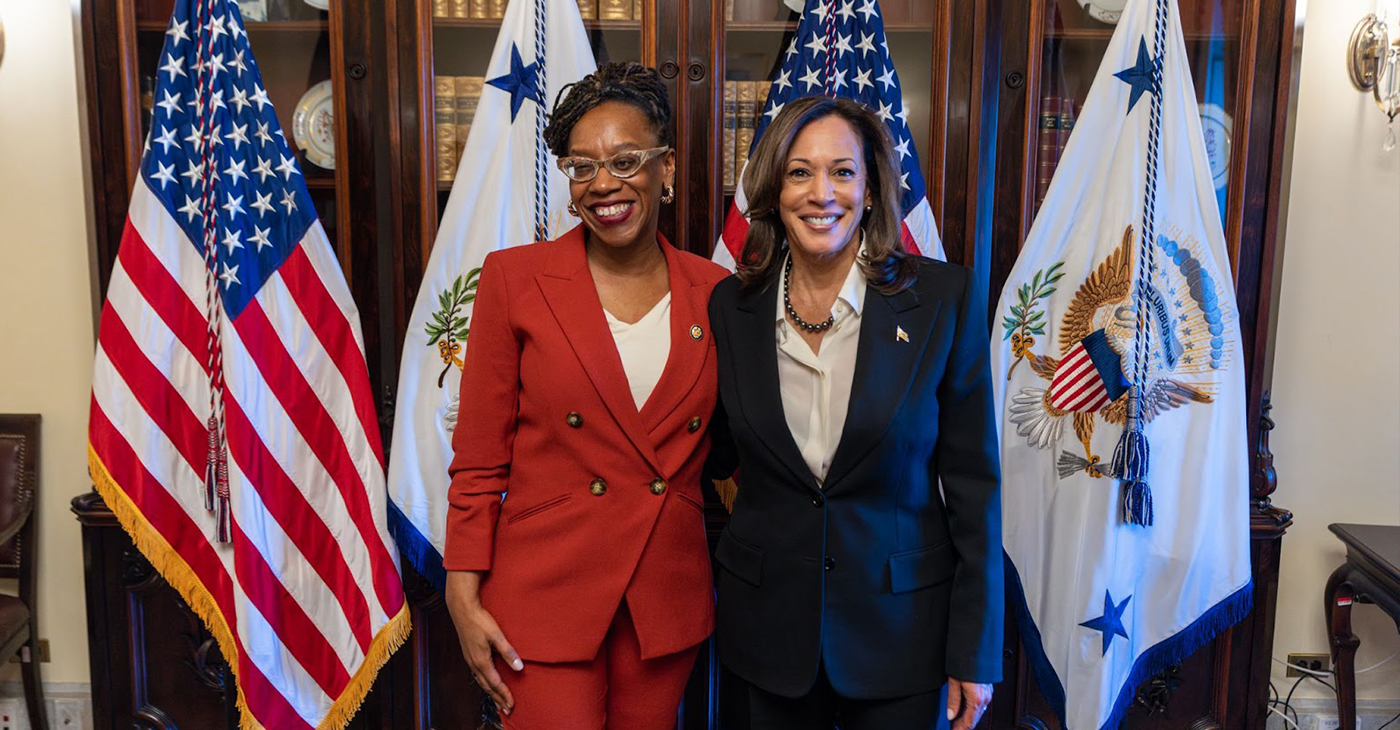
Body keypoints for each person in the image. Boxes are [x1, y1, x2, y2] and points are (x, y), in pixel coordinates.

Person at [442, 61, 728, 730]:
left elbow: (744, 444)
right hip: (544, 593)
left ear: (668, 169)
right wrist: (463, 593)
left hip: (664, 597)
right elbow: (480, 456)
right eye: (581, 167)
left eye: (625, 161)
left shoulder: (717, 295)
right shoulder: (515, 279)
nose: (604, 184)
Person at [707, 96, 1004, 730]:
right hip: (764, 637)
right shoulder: (730, 307)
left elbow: (976, 490)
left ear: (870, 190)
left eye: (842, 171)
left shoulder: (942, 301)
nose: (822, 193)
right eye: (798, 172)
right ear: (773, 190)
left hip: (901, 638)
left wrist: (975, 652)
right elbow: (709, 459)